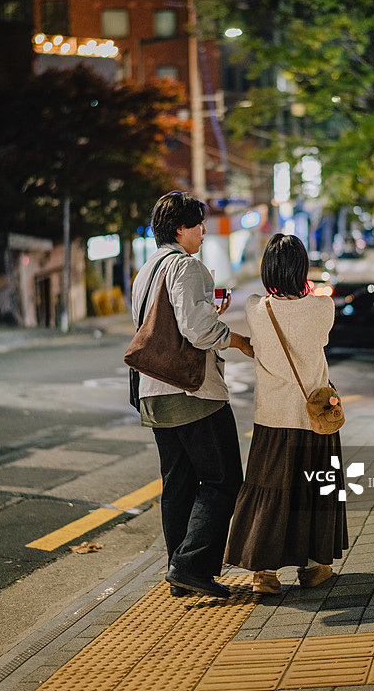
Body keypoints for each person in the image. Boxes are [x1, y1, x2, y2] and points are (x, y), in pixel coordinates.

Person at [131, 191, 254, 599]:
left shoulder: (146, 270)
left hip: (152, 391)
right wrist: (237, 339)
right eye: (198, 224)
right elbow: (197, 332)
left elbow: (162, 329)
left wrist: (207, 316)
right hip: (192, 392)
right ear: (181, 229)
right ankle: (191, 565)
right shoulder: (188, 267)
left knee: (178, 483)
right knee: (223, 480)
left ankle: (180, 571)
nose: (204, 231)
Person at [225, 234, 348, 594]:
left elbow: (260, 347)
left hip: (271, 419)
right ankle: (312, 568)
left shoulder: (255, 308)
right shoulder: (323, 309)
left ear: (268, 269)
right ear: (301, 268)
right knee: (316, 490)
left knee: (269, 490)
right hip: (315, 417)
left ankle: (264, 574)